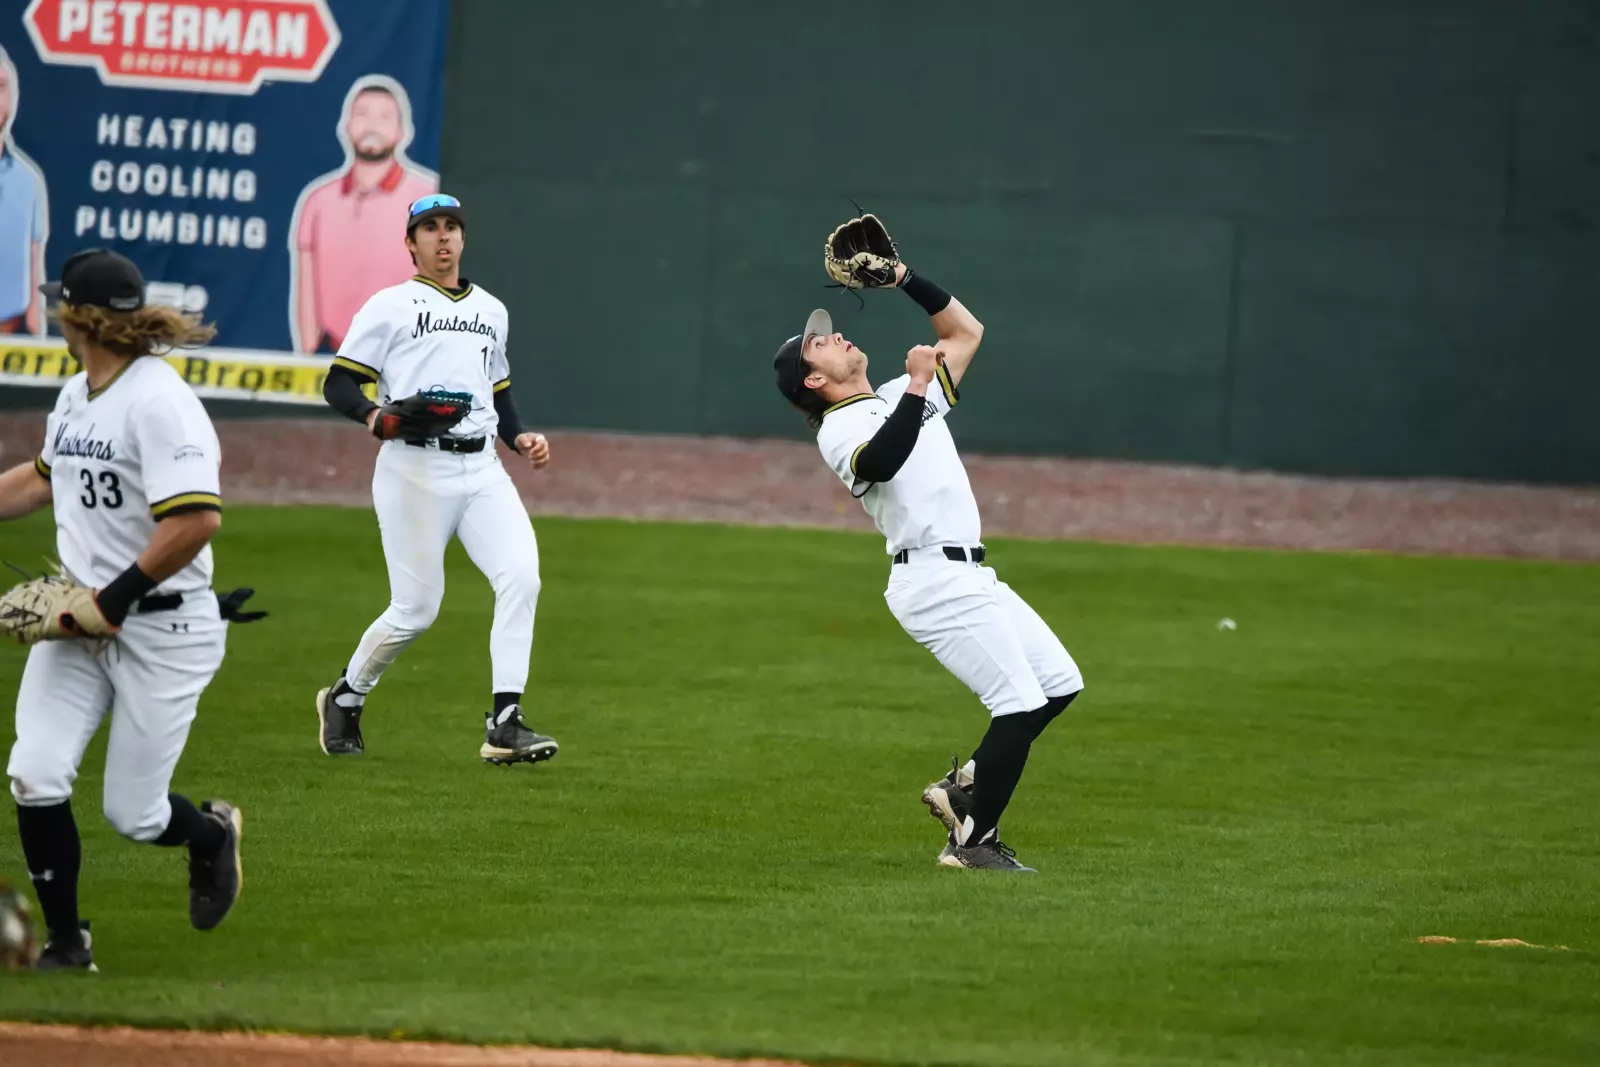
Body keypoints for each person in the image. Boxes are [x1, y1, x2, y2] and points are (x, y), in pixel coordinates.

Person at [773, 215, 1084, 872]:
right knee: (1018, 702)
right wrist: (916, 386)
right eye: (819, 344)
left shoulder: (895, 395)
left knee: (1059, 683)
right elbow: (881, 461)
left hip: (972, 575)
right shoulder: (838, 429)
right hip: (930, 583)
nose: (835, 335)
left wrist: (905, 279)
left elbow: (965, 332)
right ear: (813, 381)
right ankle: (972, 842)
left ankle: (962, 788)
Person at [1, 249, 254, 971]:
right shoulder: (79, 394)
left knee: (134, 815)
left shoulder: (158, 401)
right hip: (77, 619)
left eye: (60, 303)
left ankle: (210, 836)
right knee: (36, 773)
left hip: (166, 627)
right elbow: (43, 479)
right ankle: (65, 942)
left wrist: (112, 599)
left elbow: (197, 520)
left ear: (79, 316)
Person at [316, 193, 557, 766]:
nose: (443, 236)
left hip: (482, 469)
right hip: (414, 469)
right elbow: (340, 383)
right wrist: (377, 417)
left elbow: (497, 388)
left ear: (463, 238)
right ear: (410, 243)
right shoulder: (389, 306)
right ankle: (346, 697)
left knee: (522, 576)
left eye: (452, 226)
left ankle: (505, 723)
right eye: (430, 228)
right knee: (416, 609)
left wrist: (518, 436)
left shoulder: (491, 310)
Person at [288, 75, 437, 353]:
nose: (372, 126)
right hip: (335, 354)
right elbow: (306, 293)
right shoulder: (318, 200)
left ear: (403, 132)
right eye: (363, 114)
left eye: (384, 117)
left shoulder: (428, 197)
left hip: (405, 353)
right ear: (346, 126)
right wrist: (306, 356)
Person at [0, 44, 48, 336]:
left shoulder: (28, 180)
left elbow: (34, 267)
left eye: (0, 86)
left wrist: (36, 335)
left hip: (10, 335)